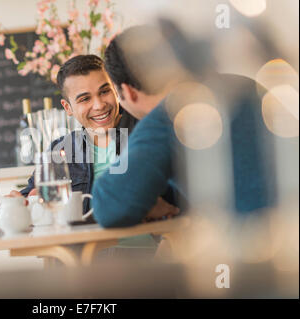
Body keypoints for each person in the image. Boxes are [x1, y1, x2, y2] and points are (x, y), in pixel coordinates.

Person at [92, 22, 277, 228]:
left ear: (127, 92)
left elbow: (111, 207)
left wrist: (141, 202)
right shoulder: (245, 86)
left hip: (264, 247)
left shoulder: (169, 115)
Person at [10, 54, 178, 219]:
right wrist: (14, 204)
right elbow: (26, 200)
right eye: (85, 99)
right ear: (67, 107)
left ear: (116, 89)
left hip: (156, 245)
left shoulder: (149, 131)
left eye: (104, 91)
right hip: (89, 246)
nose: (99, 105)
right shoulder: (61, 150)